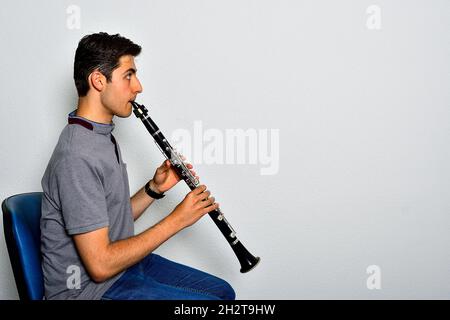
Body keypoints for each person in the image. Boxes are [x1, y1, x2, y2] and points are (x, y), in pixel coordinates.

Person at [40, 32, 235, 300]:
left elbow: (108, 221)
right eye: (128, 75)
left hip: (122, 270)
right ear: (98, 80)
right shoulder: (76, 156)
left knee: (224, 292)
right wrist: (177, 220)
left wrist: (154, 189)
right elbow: (100, 265)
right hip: (88, 291)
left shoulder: (100, 135)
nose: (138, 86)